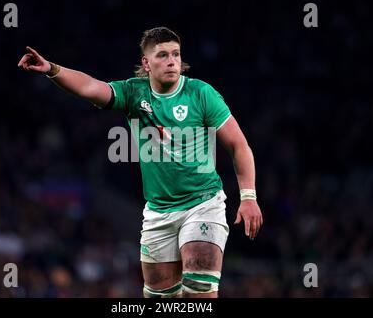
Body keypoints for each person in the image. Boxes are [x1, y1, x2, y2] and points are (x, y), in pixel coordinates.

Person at [18, 27, 263, 298]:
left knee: (198, 290)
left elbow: (238, 145)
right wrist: (52, 69)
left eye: (176, 54)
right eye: (162, 55)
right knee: (160, 298)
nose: (172, 61)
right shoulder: (134, 93)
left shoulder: (201, 94)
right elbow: (89, 87)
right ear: (146, 63)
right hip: (158, 213)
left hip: (203, 203)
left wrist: (248, 196)